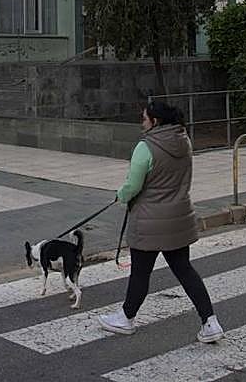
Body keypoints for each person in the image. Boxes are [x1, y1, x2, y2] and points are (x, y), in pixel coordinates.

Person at [98, 99, 224, 343]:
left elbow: (133, 185)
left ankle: (126, 318)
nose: (142, 123)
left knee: (140, 273)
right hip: (178, 218)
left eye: (144, 118)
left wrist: (121, 195)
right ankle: (210, 321)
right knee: (185, 270)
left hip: (149, 221)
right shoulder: (184, 141)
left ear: (155, 121)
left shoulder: (145, 147)